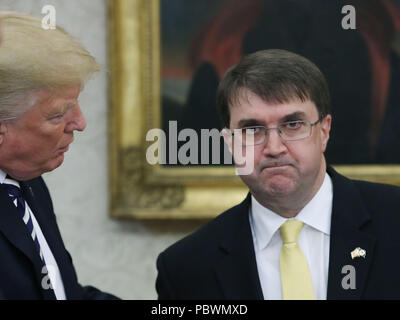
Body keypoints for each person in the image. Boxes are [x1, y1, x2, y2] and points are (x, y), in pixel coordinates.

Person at [156, 49, 400, 300]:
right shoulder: (185, 268)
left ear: (324, 131)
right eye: (252, 129)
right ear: (230, 144)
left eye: (293, 125)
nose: (274, 148)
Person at [0, 12, 118, 299]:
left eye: (76, 104)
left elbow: (63, 293)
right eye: (57, 115)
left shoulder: (26, 184)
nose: (80, 123)